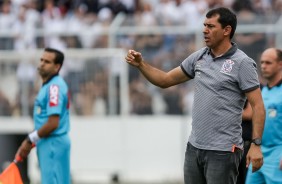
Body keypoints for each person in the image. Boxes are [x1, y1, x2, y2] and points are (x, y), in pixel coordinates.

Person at [125, 7, 265, 184]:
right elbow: (165, 80)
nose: (204, 30)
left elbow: (258, 106)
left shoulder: (242, 63)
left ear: (226, 30)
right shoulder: (199, 57)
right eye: (204, 25)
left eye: (211, 26)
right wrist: (141, 65)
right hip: (195, 147)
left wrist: (256, 145)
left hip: (223, 150)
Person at [16, 48, 71, 184]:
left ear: (57, 67)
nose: (42, 64)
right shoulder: (49, 86)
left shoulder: (54, 88)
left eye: (47, 62)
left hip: (53, 143)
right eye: (41, 60)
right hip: (49, 142)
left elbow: (53, 123)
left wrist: (30, 140)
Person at [246, 48, 282, 184]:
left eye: (268, 63)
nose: (263, 66)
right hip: (259, 151)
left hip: (278, 153)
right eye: (262, 62)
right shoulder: (262, 91)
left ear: (280, 64)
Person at [237, 100, 253, 184]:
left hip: (246, 144)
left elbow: (249, 113)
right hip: (233, 145)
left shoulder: (253, 89)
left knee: (246, 179)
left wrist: (230, 112)